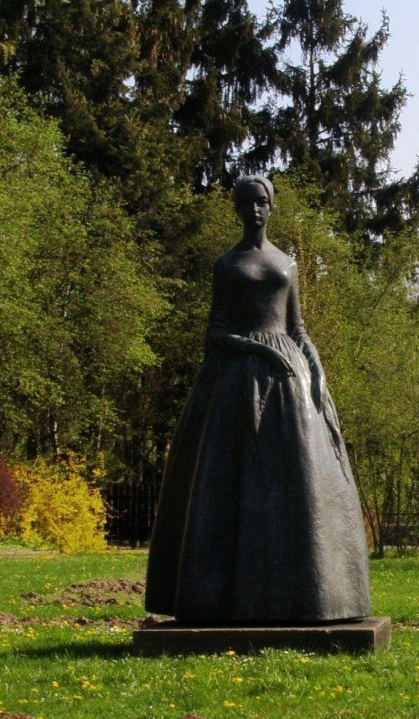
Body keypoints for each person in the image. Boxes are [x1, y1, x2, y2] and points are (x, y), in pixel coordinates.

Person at [145, 174, 371, 625]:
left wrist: (318, 370)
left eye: (262, 202)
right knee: (228, 485)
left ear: (272, 207)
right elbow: (214, 333)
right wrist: (256, 348)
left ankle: (309, 596)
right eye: (247, 202)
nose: (254, 209)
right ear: (237, 208)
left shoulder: (287, 265)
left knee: (300, 485)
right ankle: (221, 597)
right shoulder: (226, 265)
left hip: (289, 380)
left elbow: (298, 327)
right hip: (234, 381)